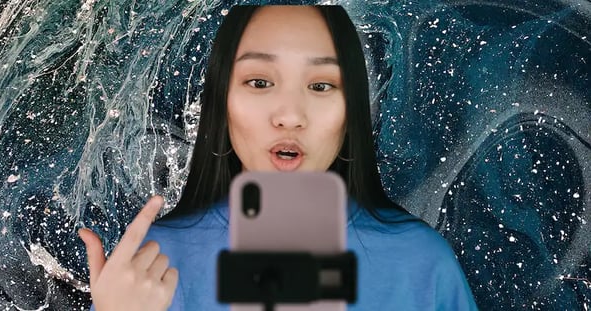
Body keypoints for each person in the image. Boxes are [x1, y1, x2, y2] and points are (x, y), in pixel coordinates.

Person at [78, 5, 478, 311]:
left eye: (321, 85)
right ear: (222, 102)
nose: (289, 116)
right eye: (259, 81)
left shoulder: (422, 264)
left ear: (352, 109)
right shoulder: (152, 265)